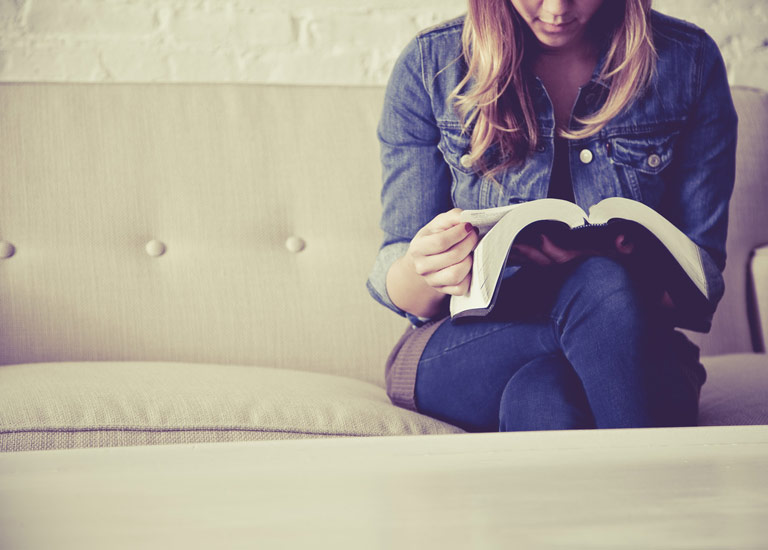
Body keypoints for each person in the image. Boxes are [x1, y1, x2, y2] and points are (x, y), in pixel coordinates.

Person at [366, 0, 737, 432]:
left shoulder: (687, 61)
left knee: (546, 388)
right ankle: (648, 486)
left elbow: (699, 284)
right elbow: (400, 281)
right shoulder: (432, 64)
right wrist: (427, 265)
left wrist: (620, 263)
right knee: (600, 287)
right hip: (468, 345)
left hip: (628, 336)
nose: (558, 8)